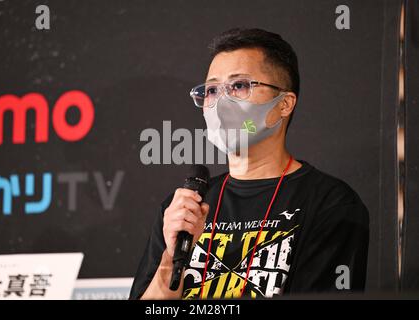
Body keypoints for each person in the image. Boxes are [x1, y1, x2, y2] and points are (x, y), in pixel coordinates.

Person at [130, 28, 369, 300]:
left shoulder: (330, 203)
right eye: (211, 90)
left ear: (284, 104)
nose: (221, 102)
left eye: (239, 86)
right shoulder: (184, 208)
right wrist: (170, 258)